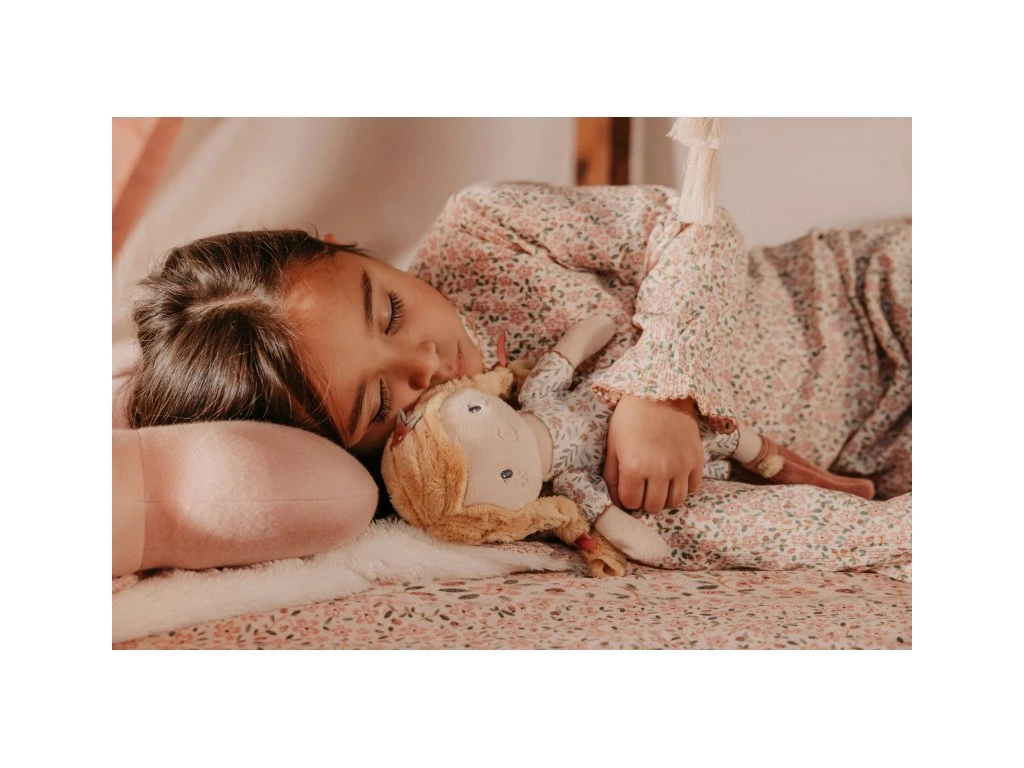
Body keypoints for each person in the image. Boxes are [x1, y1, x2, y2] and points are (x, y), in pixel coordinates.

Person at [122, 182, 912, 577]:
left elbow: (690, 222)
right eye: (379, 401)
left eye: (390, 311)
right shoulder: (482, 486)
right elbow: (708, 529)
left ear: (346, 247)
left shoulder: (487, 230)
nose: (424, 363)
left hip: (867, 297)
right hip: (882, 449)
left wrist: (660, 386)